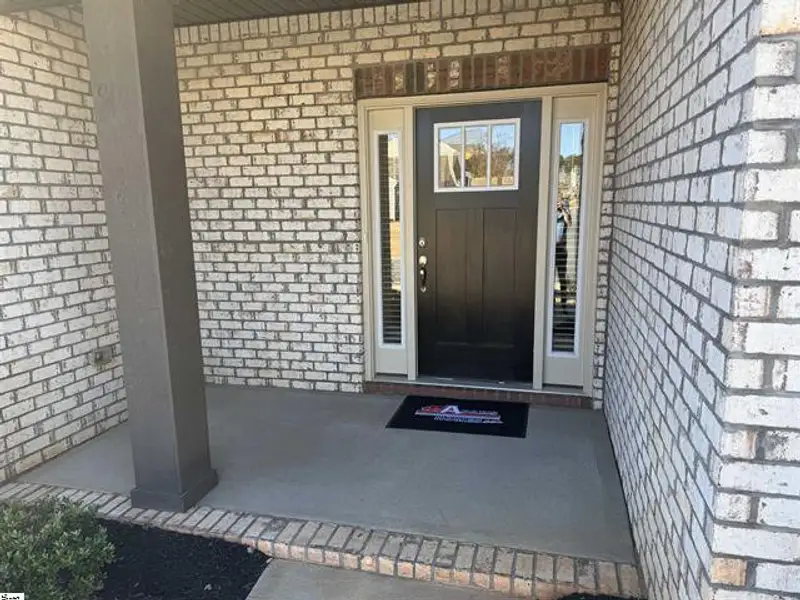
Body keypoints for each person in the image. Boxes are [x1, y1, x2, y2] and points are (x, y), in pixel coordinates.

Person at [555, 195, 572, 308]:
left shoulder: (564, 214)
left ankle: (564, 303)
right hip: (552, 250)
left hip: (561, 249)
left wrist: (564, 210)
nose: (557, 204)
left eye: (558, 201)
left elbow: (569, 223)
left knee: (562, 277)